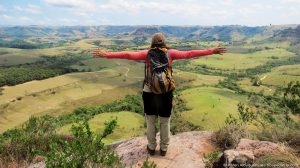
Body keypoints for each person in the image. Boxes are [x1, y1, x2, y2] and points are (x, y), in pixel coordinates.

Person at [92, 32, 226, 156]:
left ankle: (151, 147)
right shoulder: (170, 53)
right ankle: (164, 148)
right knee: (165, 120)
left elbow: (128, 55)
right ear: (164, 42)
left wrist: (107, 54)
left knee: (150, 120)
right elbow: (190, 53)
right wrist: (212, 51)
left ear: (152, 43)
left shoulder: (147, 54)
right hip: (166, 91)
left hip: (149, 91)